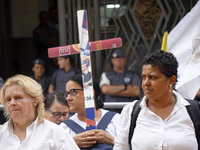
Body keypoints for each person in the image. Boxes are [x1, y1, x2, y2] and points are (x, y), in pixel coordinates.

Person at [114, 50, 198, 150]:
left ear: (171, 80)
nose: (146, 83)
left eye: (152, 77)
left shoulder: (194, 111)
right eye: (143, 77)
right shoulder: (131, 111)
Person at [0, 74, 79, 149]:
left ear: (35, 100)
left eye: (18, 98)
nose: (12, 103)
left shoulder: (54, 133)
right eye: (8, 99)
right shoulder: (2, 134)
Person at [60, 74, 120, 149]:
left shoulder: (116, 120)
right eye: (67, 93)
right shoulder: (65, 127)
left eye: (73, 92)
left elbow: (131, 146)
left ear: (90, 93)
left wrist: (112, 141)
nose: (68, 98)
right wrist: (71, 143)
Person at [33, 11, 59, 76]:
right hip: (43, 57)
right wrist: (52, 40)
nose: (45, 19)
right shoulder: (37, 30)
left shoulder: (53, 29)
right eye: (43, 18)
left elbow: (58, 40)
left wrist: (50, 40)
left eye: (46, 17)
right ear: (40, 19)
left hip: (53, 59)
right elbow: (45, 42)